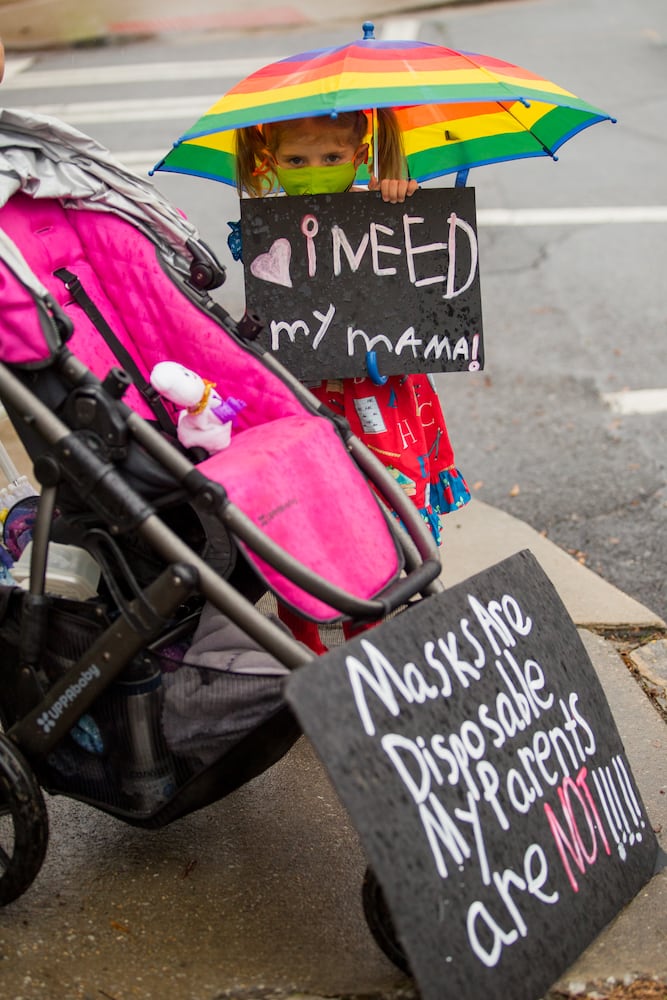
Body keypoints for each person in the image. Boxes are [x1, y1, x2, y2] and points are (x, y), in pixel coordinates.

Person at [233, 110, 471, 654]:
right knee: (316, 504)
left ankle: (395, 611)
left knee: (389, 501)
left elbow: (412, 272)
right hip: (307, 395)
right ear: (272, 160)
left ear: (359, 155)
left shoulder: (381, 205)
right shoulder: (271, 224)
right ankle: (318, 629)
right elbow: (270, 314)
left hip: (380, 395)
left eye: (331, 158)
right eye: (297, 160)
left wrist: (401, 192)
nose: (313, 170)